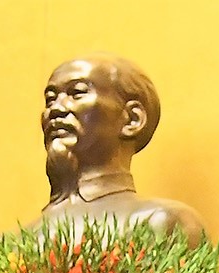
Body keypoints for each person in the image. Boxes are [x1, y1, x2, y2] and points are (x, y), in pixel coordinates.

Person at [36, 54, 205, 246]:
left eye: (77, 92)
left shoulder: (158, 222)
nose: (55, 109)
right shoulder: (15, 241)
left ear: (132, 119)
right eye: (50, 99)